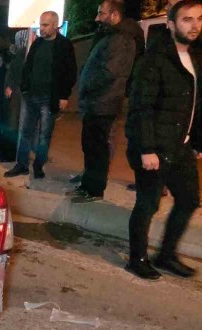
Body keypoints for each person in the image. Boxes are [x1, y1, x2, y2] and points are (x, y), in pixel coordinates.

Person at [125, 0, 201, 280]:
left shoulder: (196, 58)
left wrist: (197, 142)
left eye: (199, 19)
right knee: (147, 204)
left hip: (181, 146)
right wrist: (147, 149)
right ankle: (137, 258)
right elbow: (141, 108)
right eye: (187, 19)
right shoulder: (154, 60)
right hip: (154, 147)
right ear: (170, 25)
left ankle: (166, 255)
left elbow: (196, 104)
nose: (195, 25)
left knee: (189, 200)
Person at [71, 0, 138, 203]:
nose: (97, 18)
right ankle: (88, 185)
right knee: (90, 146)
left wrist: (87, 84)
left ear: (114, 15)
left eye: (101, 13)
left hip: (103, 103)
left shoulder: (120, 40)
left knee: (97, 149)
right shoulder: (111, 36)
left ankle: (94, 190)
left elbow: (109, 72)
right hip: (97, 102)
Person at [4, 11, 77, 179]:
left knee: (44, 135)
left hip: (49, 97)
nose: (41, 28)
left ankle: (38, 166)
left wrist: (64, 95)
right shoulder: (37, 43)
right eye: (41, 24)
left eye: (45, 25)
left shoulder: (64, 45)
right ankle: (22, 165)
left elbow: (70, 72)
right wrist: (24, 87)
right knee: (24, 132)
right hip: (30, 95)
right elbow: (28, 66)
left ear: (55, 25)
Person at [3, 29, 37, 163]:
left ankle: (13, 154)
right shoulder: (23, 54)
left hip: (17, 96)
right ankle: (17, 154)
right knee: (21, 124)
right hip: (20, 95)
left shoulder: (19, 55)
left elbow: (12, 74)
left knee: (15, 124)